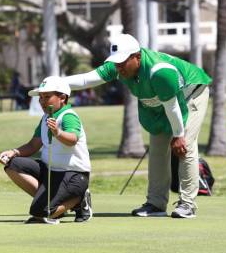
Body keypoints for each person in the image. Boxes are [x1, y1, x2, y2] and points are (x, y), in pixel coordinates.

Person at [65, 33, 211, 219]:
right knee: (158, 148)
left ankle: (187, 204)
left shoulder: (159, 72)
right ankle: (156, 204)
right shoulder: (119, 67)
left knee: (185, 146)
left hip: (192, 93)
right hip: (163, 102)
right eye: (116, 63)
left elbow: (173, 108)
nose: (119, 67)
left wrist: (178, 135)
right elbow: (87, 80)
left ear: (138, 57)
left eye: (123, 62)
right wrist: (58, 83)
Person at [0, 75, 93, 223]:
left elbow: (72, 140)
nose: (42, 101)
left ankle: (78, 200)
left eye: (47, 96)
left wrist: (58, 133)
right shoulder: (45, 118)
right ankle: (54, 206)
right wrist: (13, 152)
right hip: (49, 171)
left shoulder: (68, 116)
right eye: (40, 97)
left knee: (40, 213)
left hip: (73, 175)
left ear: (62, 98)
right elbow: (33, 145)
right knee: (12, 164)